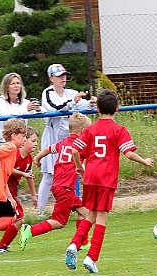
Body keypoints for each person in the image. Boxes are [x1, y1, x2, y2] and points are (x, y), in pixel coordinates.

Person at [64, 90, 153, 273]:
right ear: (117, 109)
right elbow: (128, 153)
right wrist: (144, 161)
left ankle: (74, 245)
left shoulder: (89, 130)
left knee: (91, 215)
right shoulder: (118, 130)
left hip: (90, 177)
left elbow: (74, 150)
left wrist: (79, 167)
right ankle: (91, 257)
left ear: (97, 109)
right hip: (106, 178)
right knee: (102, 217)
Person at [19, 113, 92, 251]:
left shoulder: (63, 143)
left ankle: (83, 242)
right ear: (83, 131)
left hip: (58, 185)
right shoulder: (81, 146)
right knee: (59, 221)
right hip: (65, 188)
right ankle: (30, 230)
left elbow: (48, 149)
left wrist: (37, 159)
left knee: (84, 211)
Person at [38, 63, 97, 218]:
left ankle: (76, 207)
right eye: (59, 76)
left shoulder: (70, 92)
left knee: (75, 172)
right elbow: (55, 109)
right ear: (51, 78)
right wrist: (72, 102)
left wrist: (91, 102)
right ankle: (40, 212)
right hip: (53, 137)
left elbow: (83, 106)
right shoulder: (48, 93)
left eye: (64, 75)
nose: (63, 78)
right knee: (49, 175)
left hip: (70, 138)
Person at [0, 73, 41, 147]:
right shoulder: (0, 101)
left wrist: (38, 109)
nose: (16, 86)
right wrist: (26, 109)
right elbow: (7, 115)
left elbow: (40, 111)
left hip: (20, 142)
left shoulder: (25, 102)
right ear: (6, 87)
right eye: (12, 84)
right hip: (2, 141)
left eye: (18, 83)